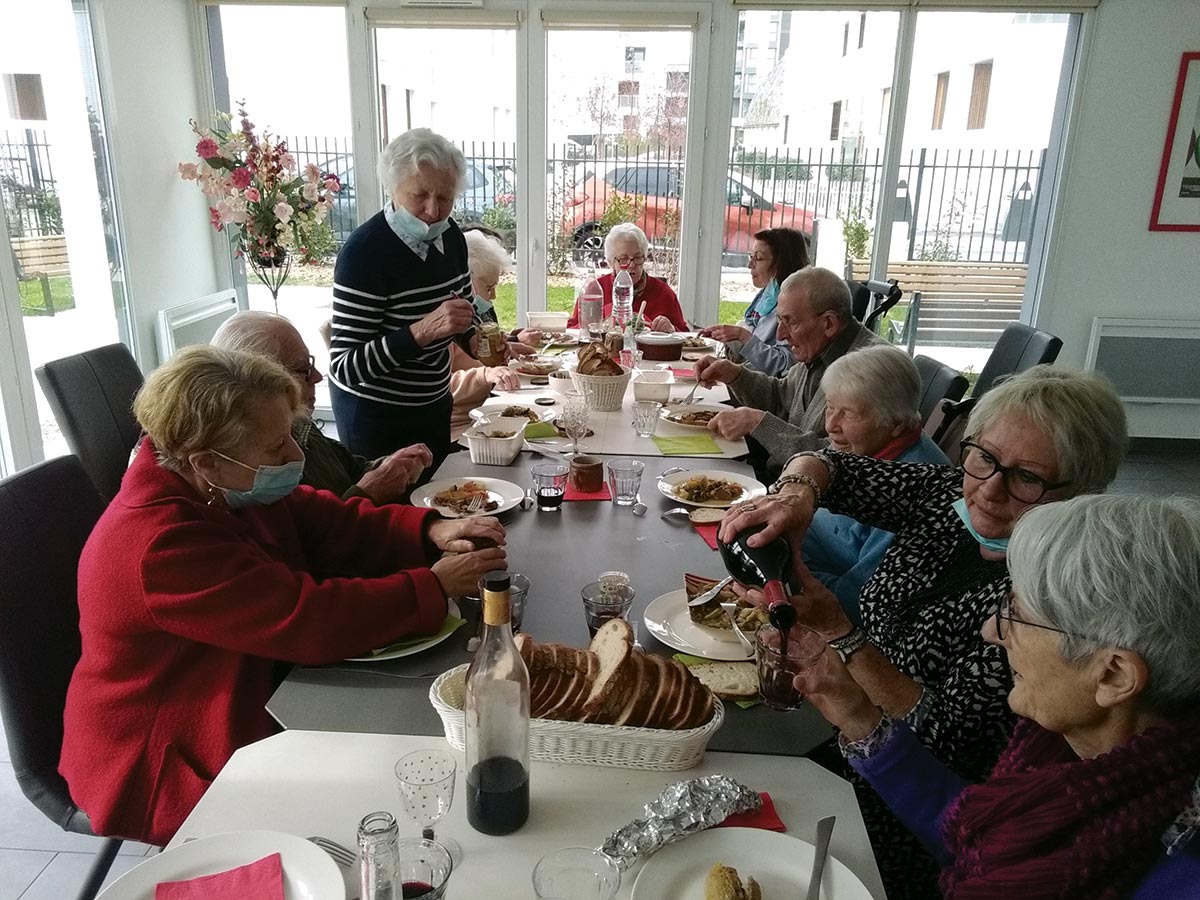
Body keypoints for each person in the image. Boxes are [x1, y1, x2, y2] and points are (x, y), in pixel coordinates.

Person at [59, 345, 506, 845]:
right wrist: (434, 584)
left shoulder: (217, 484)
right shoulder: (160, 543)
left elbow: (326, 521)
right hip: (163, 754)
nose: (295, 458)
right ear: (206, 460)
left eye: (291, 437)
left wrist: (427, 532)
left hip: (251, 690)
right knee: (375, 801)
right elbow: (303, 618)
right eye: (276, 449)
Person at [720, 365, 1128, 900]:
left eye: (1027, 477)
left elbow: (948, 739)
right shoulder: (949, 499)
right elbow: (833, 465)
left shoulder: (1046, 601)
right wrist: (797, 491)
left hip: (915, 811)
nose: (989, 489)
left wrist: (841, 635)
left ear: (1084, 490)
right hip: (846, 726)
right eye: (982, 456)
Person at [796, 494, 1200, 899]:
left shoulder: (1178, 875)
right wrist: (858, 716)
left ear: (1112, 675)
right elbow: (981, 837)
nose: (991, 631)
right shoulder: (1069, 755)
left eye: (1018, 614)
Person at [328, 127, 475, 465]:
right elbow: (345, 367)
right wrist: (422, 331)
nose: (433, 211)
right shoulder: (364, 254)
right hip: (378, 421)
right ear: (392, 189)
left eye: (445, 198)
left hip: (434, 406)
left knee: (442, 504)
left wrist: (486, 343)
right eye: (419, 195)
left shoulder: (452, 237)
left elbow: (466, 314)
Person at [212, 310, 432, 503]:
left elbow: (350, 469)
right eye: (303, 369)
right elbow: (312, 541)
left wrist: (390, 466)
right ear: (258, 382)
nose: (317, 377)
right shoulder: (251, 465)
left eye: (311, 364)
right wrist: (368, 492)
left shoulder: (299, 423)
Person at [801, 346, 949, 623]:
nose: (830, 425)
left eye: (849, 414)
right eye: (830, 407)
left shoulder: (915, 492)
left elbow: (857, 601)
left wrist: (788, 565)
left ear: (894, 422)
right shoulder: (861, 447)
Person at [695, 267, 883, 477]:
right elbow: (782, 396)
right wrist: (736, 375)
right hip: (781, 477)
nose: (780, 334)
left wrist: (758, 422)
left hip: (804, 497)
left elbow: (838, 461)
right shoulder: (820, 348)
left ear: (829, 323)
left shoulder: (870, 370)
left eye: (790, 322)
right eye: (779, 320)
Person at [700, 227, 810, 375]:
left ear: (781, 263)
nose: (749, 265)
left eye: (757, 258)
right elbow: (755, 337)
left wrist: (742, 336)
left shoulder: (796, 306)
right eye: (750, 256)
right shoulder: (769, 293)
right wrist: (727, 336)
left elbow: (785, 366)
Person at [449, 230, 522, 439]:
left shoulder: (477, 315)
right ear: (465, 280)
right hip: (461, 428)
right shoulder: (448, 321)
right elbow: (439, 387)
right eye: (489, 287)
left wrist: (503, 354)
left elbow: (483, 362)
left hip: (487, 412)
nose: (494, 296)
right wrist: (485, 375)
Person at [565, 222, 687, 332]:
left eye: (638, 257)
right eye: (624, 259)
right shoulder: (595, 290)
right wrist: (601, 319)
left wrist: (671, 329)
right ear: (611, 262)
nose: (632, 265)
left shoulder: (664, 294)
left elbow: (686, 337)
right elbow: (572, 332)